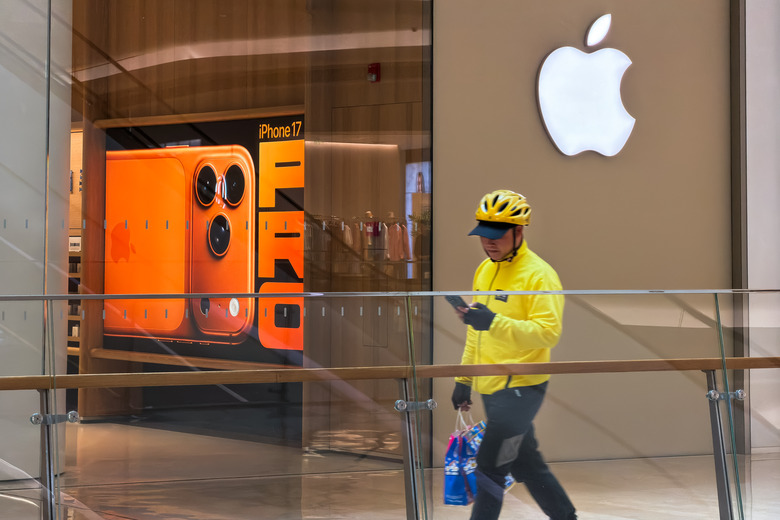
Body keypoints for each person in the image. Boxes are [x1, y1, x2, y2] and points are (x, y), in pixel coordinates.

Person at [451, 189, 577, 520]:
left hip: (522, 387)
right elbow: (476, 332)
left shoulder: (539, 275)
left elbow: (548, 332)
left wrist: (494, 321)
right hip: (490, 386)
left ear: (519, 231)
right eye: (483, 235)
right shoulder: (484, 270)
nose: (488, 243)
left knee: (490, 466)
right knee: (526, 463)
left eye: (497, 235)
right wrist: (464, 378)